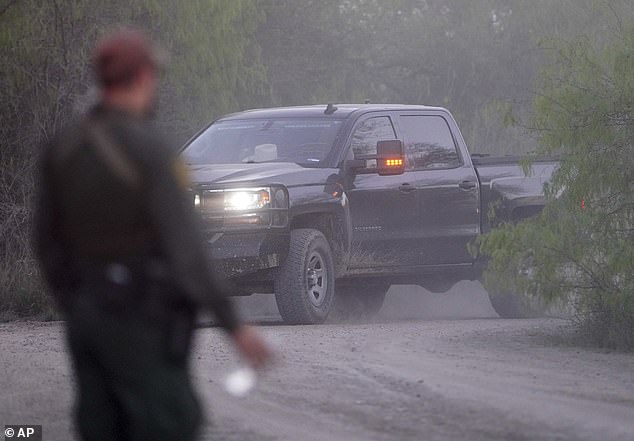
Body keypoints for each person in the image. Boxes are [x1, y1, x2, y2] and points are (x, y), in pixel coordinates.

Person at [33, 29, 271, 441]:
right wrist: (235, 326)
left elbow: (44, 241)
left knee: (100, 427)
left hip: (86, 317)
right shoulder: (151, 151)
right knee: (169, 424)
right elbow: (188, 252)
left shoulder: (63, 147)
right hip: (141, 318)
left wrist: (75, 299)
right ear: (143, 77)